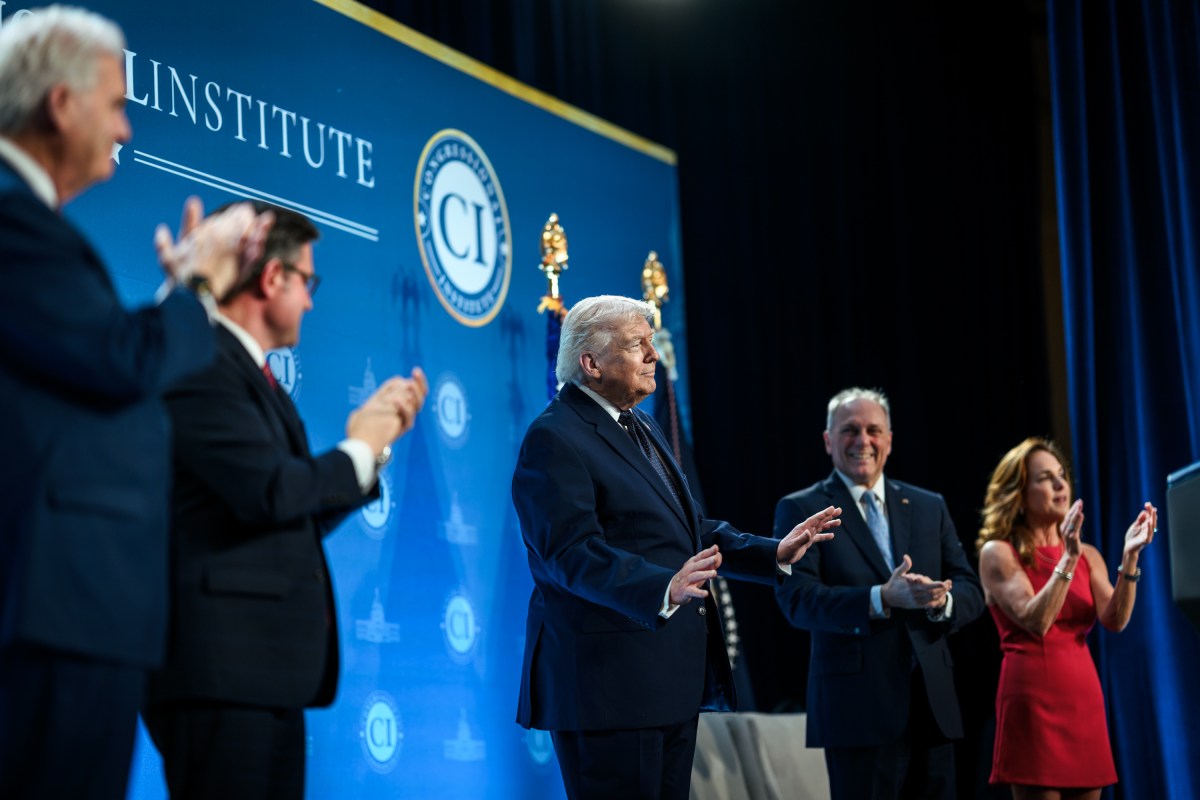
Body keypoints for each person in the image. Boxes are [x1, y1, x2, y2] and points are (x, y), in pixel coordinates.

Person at [0, 8, 269, 799]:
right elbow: (121, 363)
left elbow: (87, 359)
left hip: (69, 604)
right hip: (57, 606)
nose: (123, 126)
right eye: (116, 105)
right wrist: (197, 287)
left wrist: (176, 291)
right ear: (61, 104)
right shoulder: (12, 219)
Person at [141, 201, 429, 799]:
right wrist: (356, 448)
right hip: (220, 672)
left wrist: (371, 451)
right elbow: (269, 490)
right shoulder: (199, 358)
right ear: (273, 279)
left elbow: (285, 508)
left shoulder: (251, 375)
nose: (312, 301)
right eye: (308, 281)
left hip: (261, 675)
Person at [512, 294, 841, 800]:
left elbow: (684, 528)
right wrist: (660, 586)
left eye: (651, 343)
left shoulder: (638, 426)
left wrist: (770, 552)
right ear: (591, 362)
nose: (653, 356)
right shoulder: (554, 438)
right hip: (607, 691)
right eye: (637, 345)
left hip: (664, 686)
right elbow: (569, 553)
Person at [773, 386, 984, 800]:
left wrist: (942, 601)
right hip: (856, 715)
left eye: (874, 430)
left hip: (931, 709)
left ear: (889, 439)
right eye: (850, 430)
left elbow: (971, 588)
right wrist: (880, 598)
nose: (863, 441)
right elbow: (798, 601)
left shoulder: (928, 505)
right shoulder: (802, 509)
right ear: (828, 440)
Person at [976, 437, 1156, 800]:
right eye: (1045, 478)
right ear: (1019, 493)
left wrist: (1130, 557)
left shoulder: (1088, 554)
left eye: (1062, 476)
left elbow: (1115, 619)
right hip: (1032, 702)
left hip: (1082, 698)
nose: (1061, 485)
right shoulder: (999, 552)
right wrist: (1068, 558)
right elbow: (1037, 621)